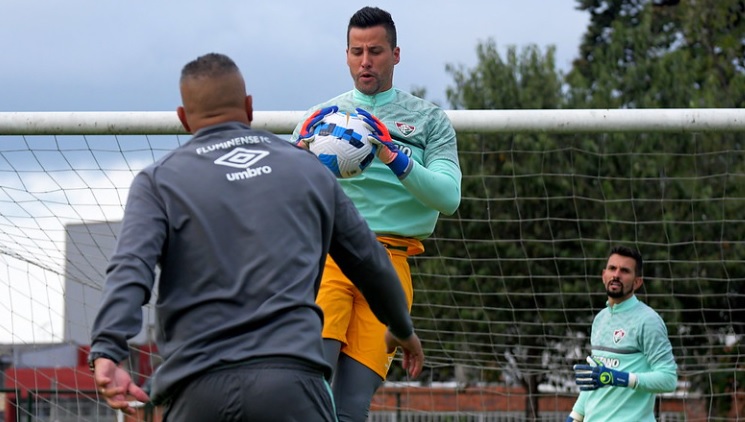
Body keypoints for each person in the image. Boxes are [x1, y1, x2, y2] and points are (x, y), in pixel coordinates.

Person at [88, 52, 424, 421]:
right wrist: (400, 326)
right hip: (292, 387)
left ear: (183, 119)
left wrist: (108, 349)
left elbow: (130, 267)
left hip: (198, 391)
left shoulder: (158, 181)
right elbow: (369, 261)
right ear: (249, 107)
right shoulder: (306, 169)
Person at [291, 6, 461, 421]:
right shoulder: (320, 120)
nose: (365, 61)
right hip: (330, 258)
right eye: (356, 51)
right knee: (310, 391)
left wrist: (389, 152)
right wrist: (295, 161)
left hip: (390, 267)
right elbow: (286, 197)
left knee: (351, 409)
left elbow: (448, 197)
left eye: (376, 51)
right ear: (346, 55)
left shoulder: (429, 121)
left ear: (396, 54)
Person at [567, 246, 678, 422]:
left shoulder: (648, 320)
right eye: (612, 268)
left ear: (637, 282)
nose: (616, 275)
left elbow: (668, 379)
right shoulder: (600, 319)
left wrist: (619, 378)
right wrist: (575, 416)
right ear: (604, 275)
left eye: (625, 271)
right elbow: (595, 382)